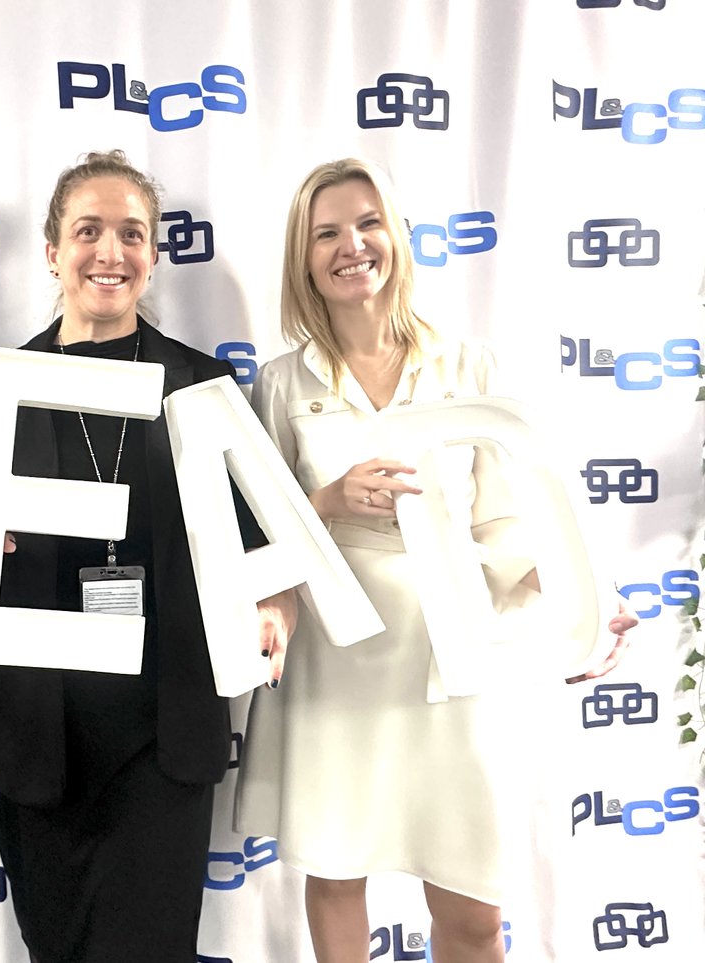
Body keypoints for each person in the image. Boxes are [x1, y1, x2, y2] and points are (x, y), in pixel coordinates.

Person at [234, 158, 636, 963]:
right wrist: (329, 499)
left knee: (475, 913)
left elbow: (509, 519)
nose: (352, 245)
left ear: (398, 235)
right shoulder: (279, 384)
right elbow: (257, 534)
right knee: (337, 876)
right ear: (304, 258)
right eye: (327, 233)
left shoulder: (470, 368)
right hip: (336, 662)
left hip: (454, 660)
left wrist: (581, 595)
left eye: (368, 223)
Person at [0, 150, 256, 963]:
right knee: (58, 946)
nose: (111, 251)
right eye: (88, 231)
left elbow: (247, 540)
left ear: (154, 253)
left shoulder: (203, 385)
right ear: (52, 251)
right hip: (40, 729)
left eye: (132, 233)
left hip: (162, 731)